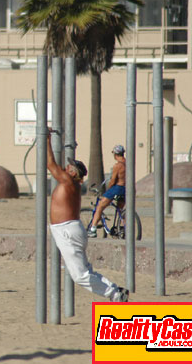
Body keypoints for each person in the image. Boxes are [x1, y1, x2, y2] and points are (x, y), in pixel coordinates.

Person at [46, 129, 129, 302]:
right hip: (71, 229)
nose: (67, 167)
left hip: (67, 231)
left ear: (74, 173)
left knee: (80, 275)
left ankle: (114, 295)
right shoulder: (72, 183)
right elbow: (57, 166)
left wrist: (46, 139)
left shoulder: (68, 182)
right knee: (86, 271)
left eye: (70, 166)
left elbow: (51, 165)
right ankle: (114, 289)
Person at [88, 144, 126, 237]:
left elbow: (113, 180)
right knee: (120, 210)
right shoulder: (127, 163)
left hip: (117, 188)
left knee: (100, 206)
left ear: (115, 154)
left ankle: (93, 229)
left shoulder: (118, 165)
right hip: (125, 189)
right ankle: (124, 228)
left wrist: (108, 190)